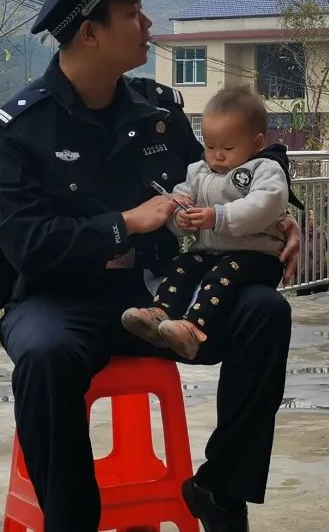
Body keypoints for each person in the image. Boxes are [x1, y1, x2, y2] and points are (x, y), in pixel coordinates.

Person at [0, 0, 303, 532]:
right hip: (62, 301)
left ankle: (220, 491)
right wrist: (125, 224)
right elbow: (25, 241)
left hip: (165, 297)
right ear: (90, 34)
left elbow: (225, 171)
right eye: (132, 15)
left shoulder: (157, 111)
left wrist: (284, 217)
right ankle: (72, 521)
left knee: (264, 311)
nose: (147, 23)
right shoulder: (21, 126)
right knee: (44, 356)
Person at [122, 85, 304, 360]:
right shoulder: (199, 170)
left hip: (256, 255)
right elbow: (180, 197)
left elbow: (265, 204)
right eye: (209, 146)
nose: (217, 155)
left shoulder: (264, 168)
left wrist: (217, 217)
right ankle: (160, 313)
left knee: (222, 278)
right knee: (182, 266)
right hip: (211, 252)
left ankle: (194, 328)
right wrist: (181, 218)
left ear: (256, 143)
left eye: (228, 148)